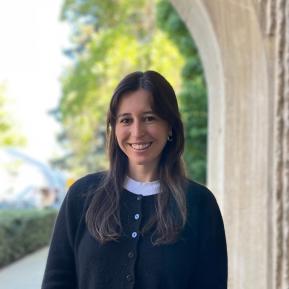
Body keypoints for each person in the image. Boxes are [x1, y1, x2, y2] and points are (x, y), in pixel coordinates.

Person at [41, 70, 228, 289]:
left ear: (170, 126)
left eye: (149, 118)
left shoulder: (199, 203)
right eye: (126, 120)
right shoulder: (82, 195)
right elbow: (57, 282)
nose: (137, 132)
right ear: (115, 128)